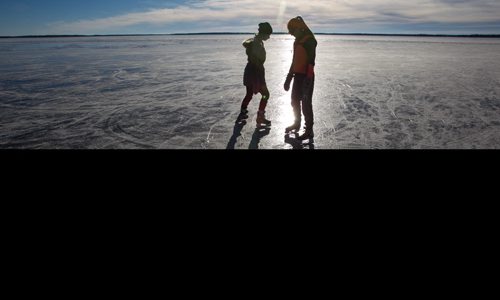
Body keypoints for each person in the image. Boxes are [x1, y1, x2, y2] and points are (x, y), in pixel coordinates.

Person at [284, 16, 317, 140]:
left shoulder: (310, 41)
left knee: (306, 104)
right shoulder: (297, 41)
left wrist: (308, 80)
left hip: (306, 77)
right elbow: (294, 61)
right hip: (297, 76)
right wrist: (289, 77)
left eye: (292, 30)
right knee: (294, 101)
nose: (291, 33)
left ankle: (309, 130)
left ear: (299, 28)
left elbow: (311, 62)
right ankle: (296, 123)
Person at [238, 22, 273, 126]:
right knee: (266, 95)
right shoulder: (256, 44)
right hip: (255, 73)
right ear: (263, 33)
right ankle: (260, 117)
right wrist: (258, 80)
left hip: (251, 72)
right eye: (268, 34)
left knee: (249, 94)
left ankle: (243, 112)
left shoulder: (256, 41)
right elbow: (256, 62)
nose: (269, 37)